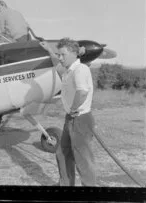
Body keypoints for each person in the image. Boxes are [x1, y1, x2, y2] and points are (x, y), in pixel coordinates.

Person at [40, 38, 96, 186]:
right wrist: (49, 50)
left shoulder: (80, 69)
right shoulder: (67, 70)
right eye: (59, 54)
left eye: (63, 54)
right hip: (71, 118)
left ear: (73, 53)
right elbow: (56, 63)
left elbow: (82, 92)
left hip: (80, 118)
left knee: (82, 159)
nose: (60, 57)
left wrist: (73, 109)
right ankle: (65, 185)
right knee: (62, 153)